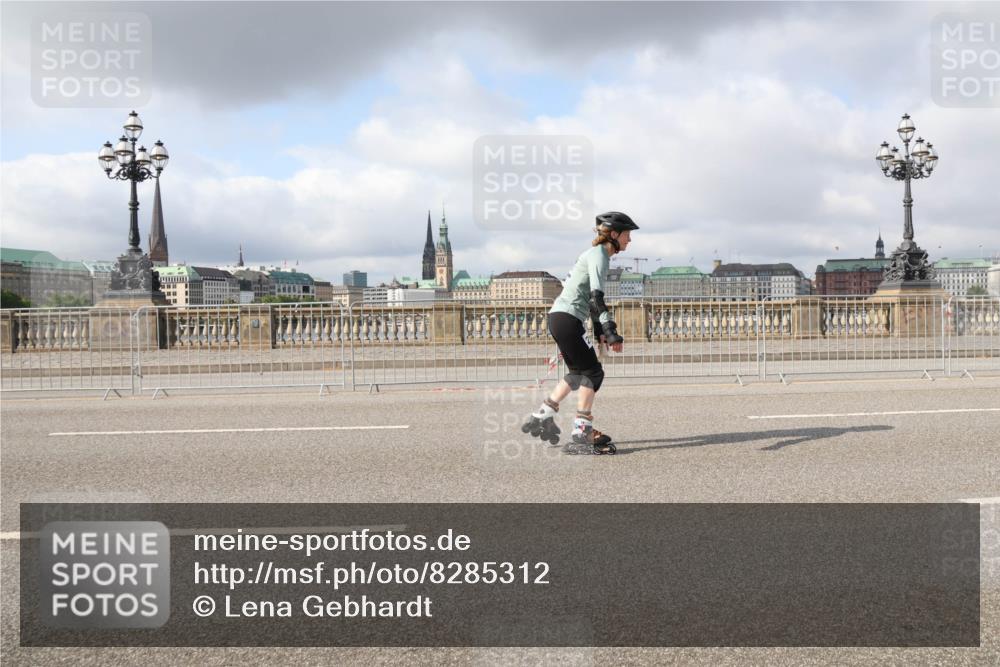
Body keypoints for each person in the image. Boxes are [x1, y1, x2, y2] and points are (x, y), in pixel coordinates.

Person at [522, 211, 638, 455]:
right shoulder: (600, 255)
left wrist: (599, 332)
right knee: (593, 373)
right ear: (614, 234)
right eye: (627, 234)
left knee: (577, 374)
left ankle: (543, 414)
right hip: (568, 319)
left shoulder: (594, 254)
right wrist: (610, 329)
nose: (630, 240)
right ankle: (582, 431)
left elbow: (590, 299)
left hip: (560, 318)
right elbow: (596, 297)